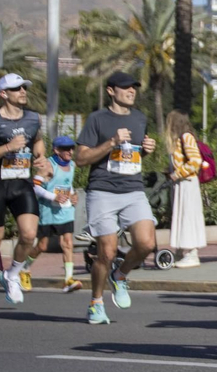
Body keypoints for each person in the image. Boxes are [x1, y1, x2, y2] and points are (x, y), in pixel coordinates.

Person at [76, 71, 158, 325]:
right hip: (102, 191)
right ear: (111, 91)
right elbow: (81, 159)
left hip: (133, 189)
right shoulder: (97, 119)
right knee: (107, 253)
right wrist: (111, 141)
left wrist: (145, 151)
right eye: (125, 87)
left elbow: (129, 157)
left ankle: (120, 276)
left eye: (134, 87)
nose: (131, 91)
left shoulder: (140, 118)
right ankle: (96, 303)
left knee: (146, 244)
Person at [0, 73, 47, 308]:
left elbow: (37, 142)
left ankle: (12, 275)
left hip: (21, 182)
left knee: (29, 235)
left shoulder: (33, 118)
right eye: (17, 89)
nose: (23, 92)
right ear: (3, 94)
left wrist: (41, 159)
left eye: (24, 87)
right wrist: (8, 147)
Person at [32, 135, 80, 292]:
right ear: (56, 150)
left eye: (72, 148)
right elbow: (36, 187)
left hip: (65, 210)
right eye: (66, 149)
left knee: (67, 243)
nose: (70, 151)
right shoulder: (47, 165)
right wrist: (53, 197)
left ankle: (68, 280)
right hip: (48, 210)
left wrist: (72, 195)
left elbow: (67, 184)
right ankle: (23, 269)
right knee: (42, 245)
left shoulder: (72, 165)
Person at [165, 111, 206, 269]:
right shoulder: (183, 138)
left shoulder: (185, 137)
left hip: (187, 182)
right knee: (184, 216)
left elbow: (195, 160)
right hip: (183, 182)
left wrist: (178, 173)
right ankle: (182, 250)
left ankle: (191, 253)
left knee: (187, 216)